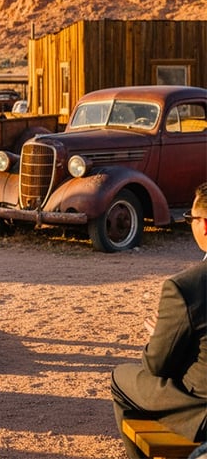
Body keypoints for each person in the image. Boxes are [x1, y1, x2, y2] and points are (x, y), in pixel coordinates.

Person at [111, 182, 207, 458]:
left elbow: (156, 366)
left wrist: (160, 336)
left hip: (200, 411)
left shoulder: (186, 287)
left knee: (122, 377)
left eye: (190, 218)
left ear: (204, 226)